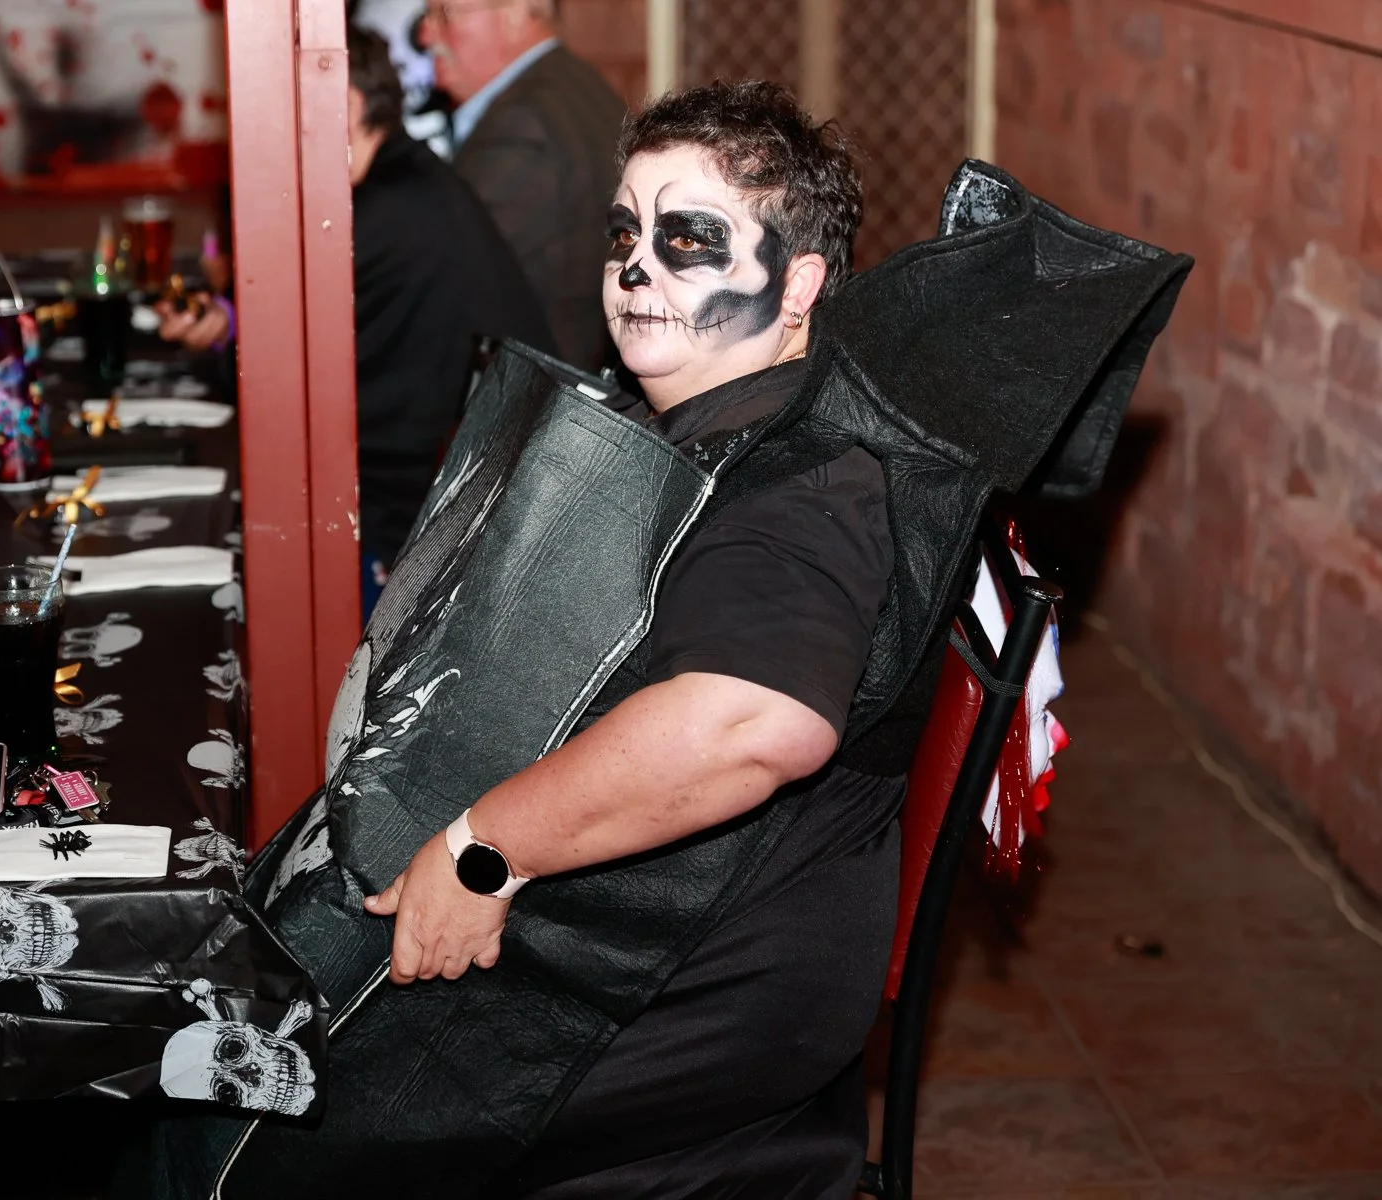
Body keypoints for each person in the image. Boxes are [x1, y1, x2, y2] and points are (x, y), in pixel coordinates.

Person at [138, 79, 1188, 1200]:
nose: (638, 269)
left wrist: (484, 848)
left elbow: (749, 723)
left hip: (684, 992)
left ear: (799, 288)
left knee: (239, 1126)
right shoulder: (713, 425)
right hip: (649, 933)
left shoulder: (803, 487)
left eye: (689, 240)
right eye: (625, 233)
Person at [341, 24, 553, 611]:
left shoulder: (384, 205)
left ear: (349, 104)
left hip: (424, 534)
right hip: (452, 503)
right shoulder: (403, 177)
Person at [422, 0, 623, 373]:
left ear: (516, 13)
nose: (424, 34)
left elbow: (441, 281)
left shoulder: (522, 122)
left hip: (536, 397)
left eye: (444, 14)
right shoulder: (578, 85)